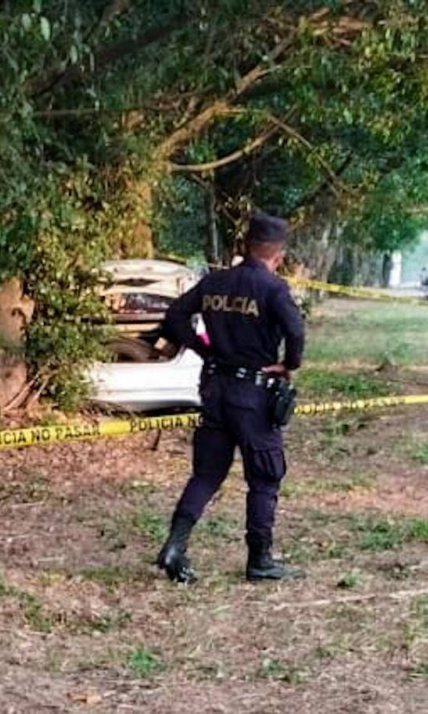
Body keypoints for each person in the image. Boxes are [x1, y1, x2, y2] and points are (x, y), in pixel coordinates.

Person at [156, 214, 305, 584]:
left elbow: (176, 315)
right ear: (279, 254)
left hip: (214, 389)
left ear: (245, 245)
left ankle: (175, 546)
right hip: (252, 394)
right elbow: (296, 331)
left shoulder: (215, 281)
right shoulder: (273, 288)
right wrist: (288, 366)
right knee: (265, 477)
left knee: (206, 473)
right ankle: (260, 560)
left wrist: (201, 349)